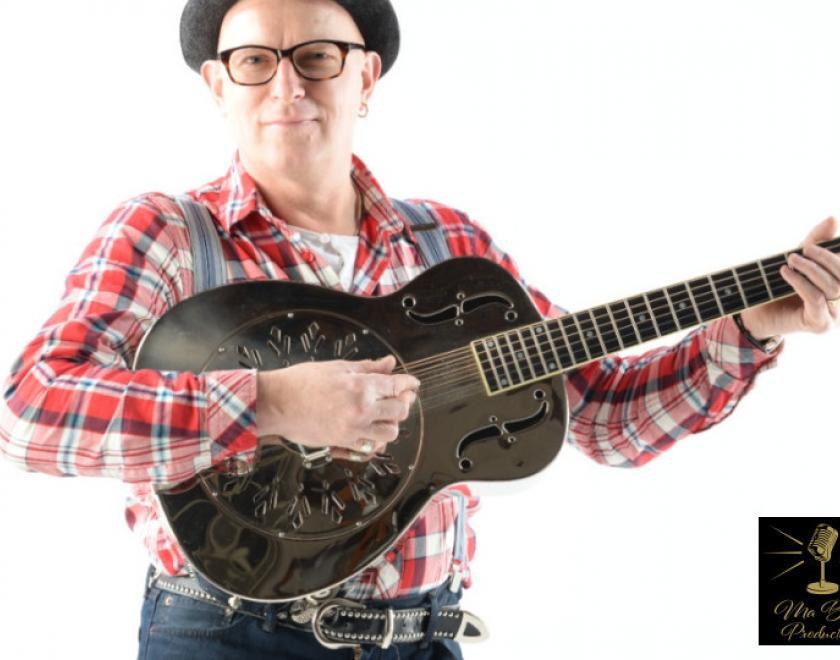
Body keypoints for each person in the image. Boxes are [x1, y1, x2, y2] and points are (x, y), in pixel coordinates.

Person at [1, 0, 839, 658]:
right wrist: (269, 404)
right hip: (227, 640)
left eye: (317, 58)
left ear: (366, 78)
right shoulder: (168, 235)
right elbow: (28, 409)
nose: (286, 85)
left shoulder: (452, 250)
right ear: (219, 86)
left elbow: (602, 420)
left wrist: (749, 326)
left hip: (425, 637)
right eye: (254, 61)